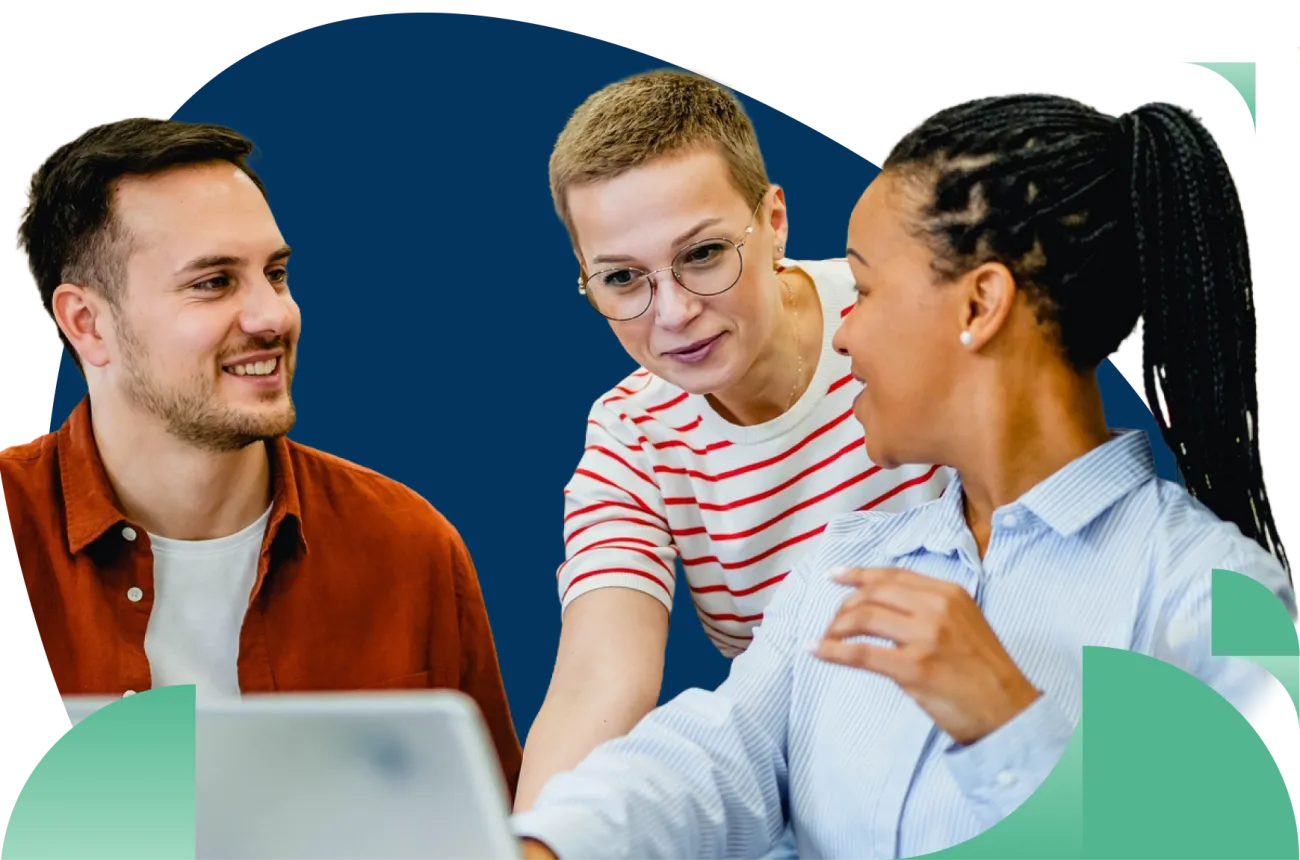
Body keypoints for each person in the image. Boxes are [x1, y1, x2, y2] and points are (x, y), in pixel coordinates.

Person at [512, 92, 1297, 859]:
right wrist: (541, 841)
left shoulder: (1209, 593)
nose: (843, 335)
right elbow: (704, 758)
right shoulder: (841, 565)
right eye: (621, 278)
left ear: (981, 303)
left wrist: (1006, 723)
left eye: (866, 290)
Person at [3, 116, 523, 798]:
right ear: (87, 323)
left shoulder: (408, 547)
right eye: (213, 282)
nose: (273, 316)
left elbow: (488, 833)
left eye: (274, 274)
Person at [514, 67, 951, 825]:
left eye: (705, 254)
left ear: (774, 220)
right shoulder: (633, 434)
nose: (675, 312)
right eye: (623, 278)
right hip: (828, 808)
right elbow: (598, 679)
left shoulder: (901, 321)